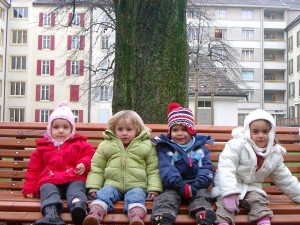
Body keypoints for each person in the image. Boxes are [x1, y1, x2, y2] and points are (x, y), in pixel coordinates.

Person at [212, 109, 300, 225]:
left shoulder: (274, 155)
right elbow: (226, 168)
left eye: (265, 131)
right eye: (255, 131)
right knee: (225, 206)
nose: (261, 136)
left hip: (252, 189)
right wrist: (229, 192)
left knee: (258, 202)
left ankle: (262, 221)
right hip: (229, 188)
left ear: (272, 133)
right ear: (248, 132)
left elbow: (285, 179)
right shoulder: (236, 145)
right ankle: (223, 222)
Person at [83, 110, 162, 225]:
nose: (124, 133)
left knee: (136, 197)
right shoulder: (106, 145)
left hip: (137, 185)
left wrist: (154, 188)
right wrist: (94, 187)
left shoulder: (147, 146)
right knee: (104, 195)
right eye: (120, 129)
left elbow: (153, 169)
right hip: (112, 184)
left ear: (137, 130)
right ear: (114, 129)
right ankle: (94, 216)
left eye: (129, 129)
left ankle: (136, 218)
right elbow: (97, 168)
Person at [22, 101, 95, 225]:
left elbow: (91, 155)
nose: (60, 131)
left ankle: (78, 208)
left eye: (65, 127)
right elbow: (34, 170)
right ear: (50, 129)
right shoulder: (43, 148)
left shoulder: (79, 144)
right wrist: (30, 187)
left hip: (73, 177)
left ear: (72, 129)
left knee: (77, 188)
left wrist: (84, 163)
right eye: (56, 127)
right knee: (46, 188)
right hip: (50, 179)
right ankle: (52, 214)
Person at [151, 102, 216, 225]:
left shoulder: (200, 149)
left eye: (184, 129)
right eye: (175, 130)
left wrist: (198, 184)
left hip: (196, 184)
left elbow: (206, 168)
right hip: (174, 185)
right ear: (170, 132)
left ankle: (203, 216)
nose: (179, 133)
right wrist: (179, 185)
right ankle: (164, 217)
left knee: (202, 196)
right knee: (166, 198)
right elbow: (166, 169)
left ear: (191, 130)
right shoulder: (167, 149)